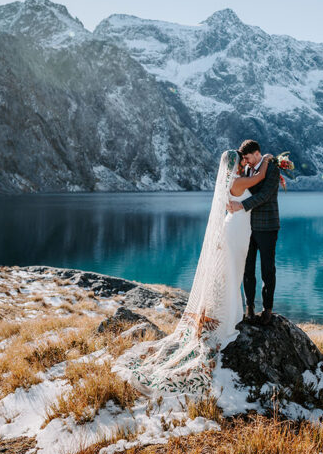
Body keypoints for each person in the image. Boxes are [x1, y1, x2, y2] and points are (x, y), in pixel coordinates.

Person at [111, 148, 272, 397]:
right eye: (240, 162)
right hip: (237, 230)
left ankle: (228, 311)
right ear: (234, 165)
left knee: (231, 273)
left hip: (237, 228)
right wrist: (269, 160)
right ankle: (228, 316)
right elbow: (260, 178)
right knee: (232, 273)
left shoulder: (230, 181)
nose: (242, 164)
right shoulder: (239, 181)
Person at [227, 139, 281, 325]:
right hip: (247, 228)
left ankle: (267, 309)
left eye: (248, 157)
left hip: (267, 227)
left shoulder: (272, 168)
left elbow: (265, 196)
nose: (246, 161)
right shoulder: (248, 170)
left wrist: (241, 205)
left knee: (268, 269)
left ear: (257, 153)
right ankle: (249, 307)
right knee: (247, 269)